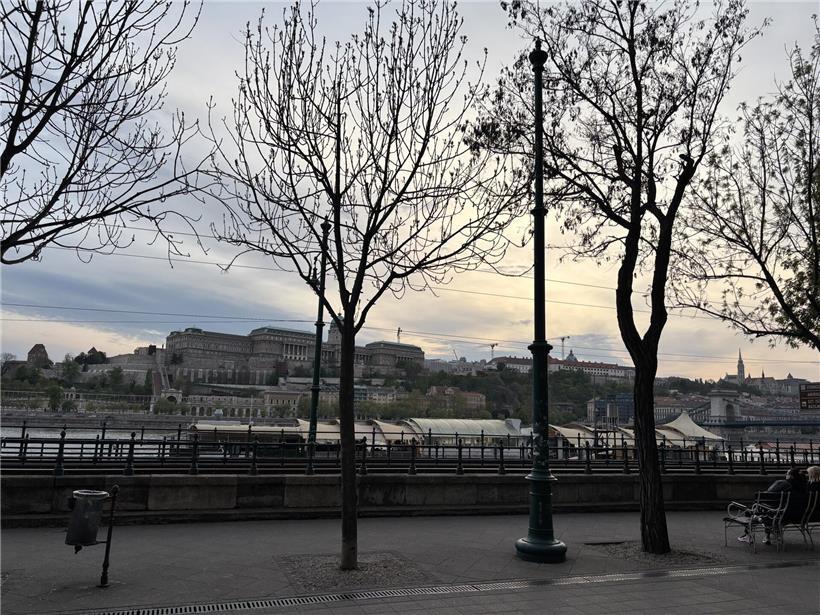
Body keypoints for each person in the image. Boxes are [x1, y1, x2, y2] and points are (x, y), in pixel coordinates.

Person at [737, 467, 807, 545]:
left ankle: (748, 535)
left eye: (787, 474)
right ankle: (769, 535)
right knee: (769, 512)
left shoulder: (783, 483)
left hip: (779, 515)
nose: (786, 475)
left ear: (791, 476)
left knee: (752, 511)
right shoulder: (805, 488)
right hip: (798, 515)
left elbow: (767, 495)